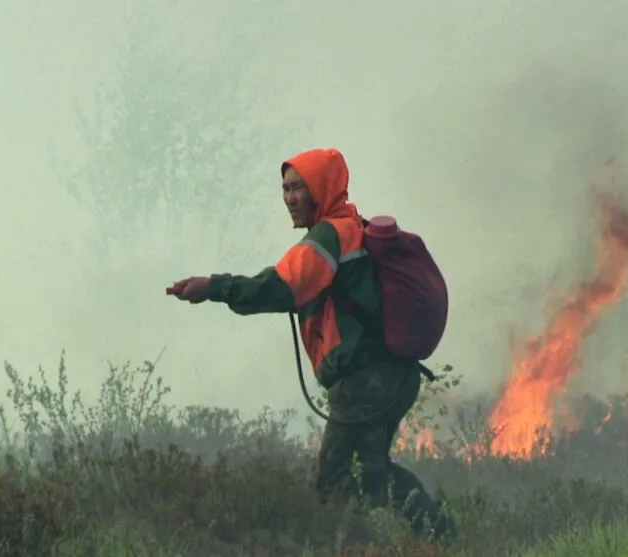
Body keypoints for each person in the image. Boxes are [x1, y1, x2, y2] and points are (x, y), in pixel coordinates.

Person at [167, 147, 455, 542]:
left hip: (365, 380)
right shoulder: (349, 229)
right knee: (370, 473)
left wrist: (214, 287)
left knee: (334, 481)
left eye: (298, 188)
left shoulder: (330, 234)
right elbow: (286, 277)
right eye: (284, 189)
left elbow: (280, 287)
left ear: (321, 188)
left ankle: (407, 543)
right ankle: (443, 538)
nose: (289, 198)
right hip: (391, 376)